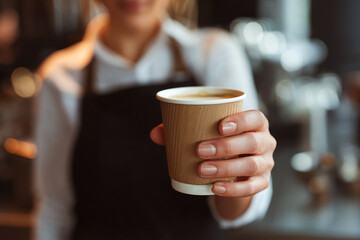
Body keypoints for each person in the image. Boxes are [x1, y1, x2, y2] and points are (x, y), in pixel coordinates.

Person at [34, 0, 276, 239]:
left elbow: (235, 211)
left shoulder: (215, 53)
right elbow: (55, 207)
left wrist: (243, 172)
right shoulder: (60, 76)